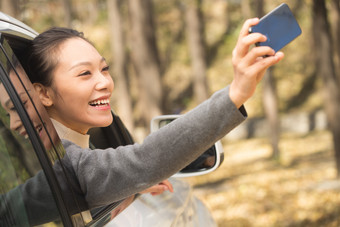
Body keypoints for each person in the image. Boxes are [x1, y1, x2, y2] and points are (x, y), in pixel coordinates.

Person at [20, 18, 283, 210]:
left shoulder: (52, 159)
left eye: (104, 69)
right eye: (84, 73)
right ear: (43, 94)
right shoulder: (61, 165)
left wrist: (127, 187)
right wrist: (236, 92)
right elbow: (144, 160)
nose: (105, 82)